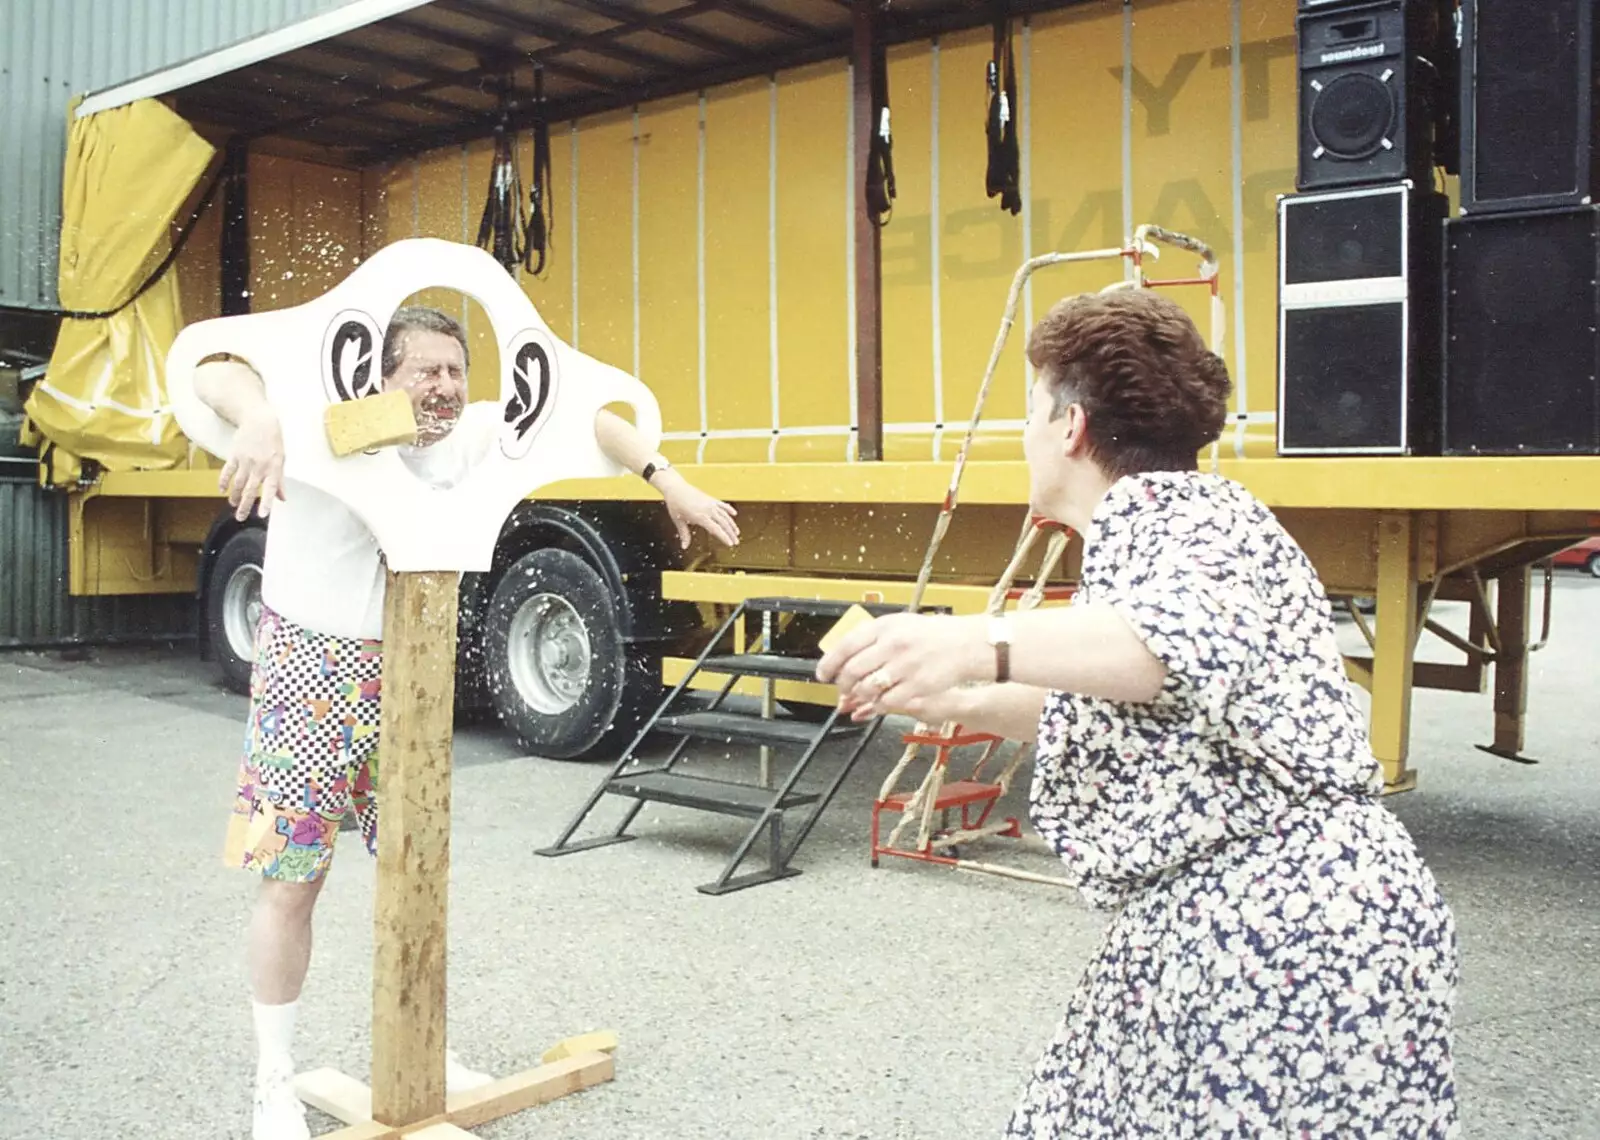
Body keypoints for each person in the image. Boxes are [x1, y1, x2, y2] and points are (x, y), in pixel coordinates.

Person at [817, 289, 1458, 1138]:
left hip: (1287, 943)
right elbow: (1129, 701)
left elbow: (1170, 645)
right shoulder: (1158, 534)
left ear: (1071, 427)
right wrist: (952, 695)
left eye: (1030, 409)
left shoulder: (1192, 521)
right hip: (1246, 931)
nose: (1024, 436)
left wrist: (974, 643)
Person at [193, 306, 740, 1140]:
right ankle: (274, 1081)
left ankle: (416, 1048)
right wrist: (262, 417)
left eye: (456, 370)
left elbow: (585, 414)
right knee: (293, 877)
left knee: (415, 873)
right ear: (385, 375)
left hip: (409, 664)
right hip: (307, 659)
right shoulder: (327, 417)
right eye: (426, 370)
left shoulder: (471, 431)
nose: (444, 386)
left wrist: (669, 479)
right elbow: (207, 366)